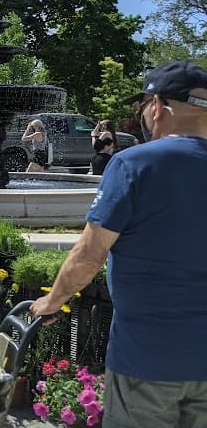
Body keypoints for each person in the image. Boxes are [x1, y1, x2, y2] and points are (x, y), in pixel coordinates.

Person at [30, 60, 207, 427]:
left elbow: (90, 255)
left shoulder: (134, 164)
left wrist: (52, 301)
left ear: (158, 106)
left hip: (148, 360)